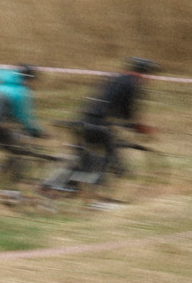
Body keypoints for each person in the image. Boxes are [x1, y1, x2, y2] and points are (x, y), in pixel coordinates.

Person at [53, 56, 159, 194]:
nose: (149, 79)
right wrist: (137, 127)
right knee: (106, 152)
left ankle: (73, 184)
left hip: (85, 117)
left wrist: (125, 122)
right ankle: (91, 187)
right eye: (149, 74)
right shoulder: (132, 84)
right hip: (97, 121)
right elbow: (127, 110)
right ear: (144, 72)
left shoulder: (116, 78)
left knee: (88, 153)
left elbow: (107, 101)